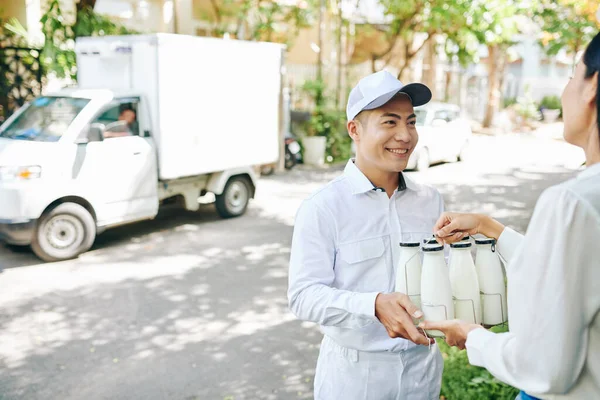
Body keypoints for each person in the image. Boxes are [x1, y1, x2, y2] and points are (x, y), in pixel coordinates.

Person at [419, 32, 600, 400]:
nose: (565, 91)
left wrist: (474, 338)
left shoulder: (572, 202)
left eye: (570, 77)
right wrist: (488, 226)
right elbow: (570, 272)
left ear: (591, 87)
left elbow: (544, 369)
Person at [288, 70, 446, 399]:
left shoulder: (431, 201)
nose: (405, 135)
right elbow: (303, 296)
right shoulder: (323, 208)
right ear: (354, 130)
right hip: (354, 377)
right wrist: (372, 305)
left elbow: (443, 278)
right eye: (389, 122)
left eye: (411, 122)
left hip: (423, 373)